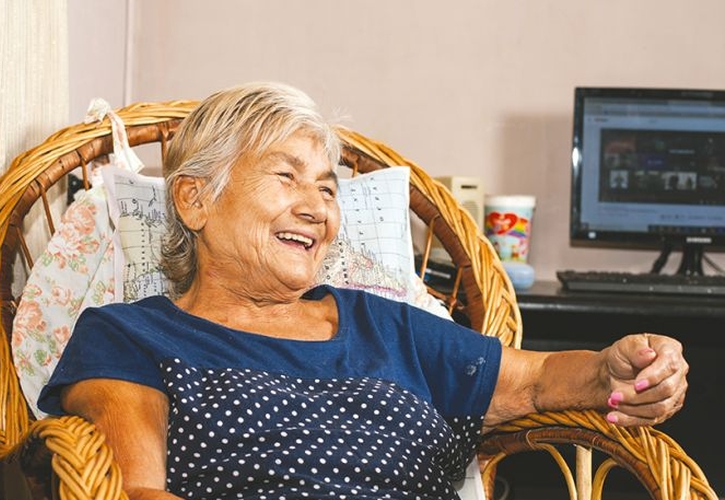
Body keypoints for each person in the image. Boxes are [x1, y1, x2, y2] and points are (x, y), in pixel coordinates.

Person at [38, 82, 689, 500]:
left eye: (326, 188)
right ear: (194, 199)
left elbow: (543, 380)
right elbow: (138, 493)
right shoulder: (128, 335)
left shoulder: (387, 326)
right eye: (286, 177)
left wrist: (618, 367)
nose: (315, 207)